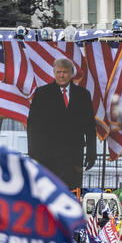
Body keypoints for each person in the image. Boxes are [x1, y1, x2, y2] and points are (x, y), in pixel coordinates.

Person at [27, 57, 97, 189]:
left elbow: (90, 127)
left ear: (71, 73)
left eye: (65, 72)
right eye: (58, 72)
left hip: (74, 158)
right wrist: (33, 155)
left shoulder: (83, 95)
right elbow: (32, 127)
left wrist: (91, 153)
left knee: (71, 195)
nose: (61, 75)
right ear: (54, 73)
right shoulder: (41, 93)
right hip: (47, 158)